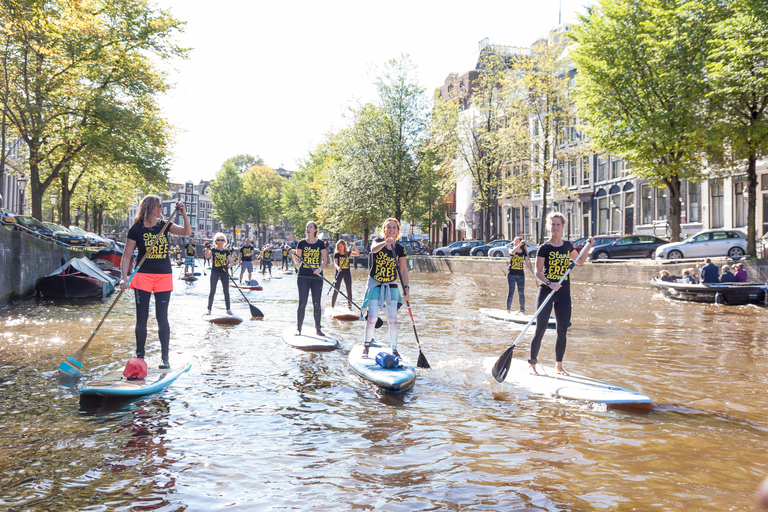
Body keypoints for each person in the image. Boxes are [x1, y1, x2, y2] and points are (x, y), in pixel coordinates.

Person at [120, 195, 191, 369]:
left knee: (162, 317)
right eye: (159, 207)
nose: (162, 210)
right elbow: (126, 255)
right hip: (142, 277)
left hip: (163, 277)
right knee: (141, 318)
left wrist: (183, 214)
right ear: (150, 207)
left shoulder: (164, 225)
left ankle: (164, 357)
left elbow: (186, 232)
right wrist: (123, 278)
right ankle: (139, 357)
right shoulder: (136, 229)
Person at [528, 211, 593, 376]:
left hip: (564, 293)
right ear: (549, 227)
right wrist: (550, 283)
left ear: (563, 226)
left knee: (562, 331)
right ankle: (532, 364)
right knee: (540, 329)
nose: (555, 227)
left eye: (558, 224)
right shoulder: (544, 247)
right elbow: (537, 272)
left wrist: (589, 246)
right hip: (547, 292)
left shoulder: (567, 246)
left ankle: (559, 366)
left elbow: (580, 261)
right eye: (552, 224)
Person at [361, 218, 410, 359]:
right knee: (372, 317)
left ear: (397, 231)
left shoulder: (400, 249)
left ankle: (394, 349)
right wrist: (385, 242)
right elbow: (373, 249)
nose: (391, 230)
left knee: (393, 318)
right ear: (385, 230)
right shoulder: (377, 241)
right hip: (375, 282)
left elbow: (403, 270)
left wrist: (406, 288)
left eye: (394, 227)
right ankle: (366, 347)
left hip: (391, 283)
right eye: (389, 227)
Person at [290, 221, 327, 336]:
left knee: (317, 303)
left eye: (311, 227)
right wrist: (293, 254)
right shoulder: (301, 243)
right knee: (302, 302)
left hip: (317, 277)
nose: (308, 229)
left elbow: (325, 260)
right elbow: (297, 261)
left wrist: (319, 269)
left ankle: (318, 329)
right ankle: (299, 329)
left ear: (315, 230)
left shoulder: (321, 243)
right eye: (307, 227)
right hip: (303, 276)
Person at [204, 233, 235, 315]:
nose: (220, 241)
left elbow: (232, 262)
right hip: (215, 272)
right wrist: (207, 249)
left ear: (224, 241)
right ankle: (209, 309)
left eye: (222, 240)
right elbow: (207, 256)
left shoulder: (226, 251)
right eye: (218, 240)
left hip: (224, 272)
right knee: (212, 291)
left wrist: (227, 267)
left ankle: (228, 309)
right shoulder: (213, 250)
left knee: (226, 291)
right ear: (216, 241)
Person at [506, 236, 533, 314]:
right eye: (514, 241)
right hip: (511, 274)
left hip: (520, 274)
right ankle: (508, 310)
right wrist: (519, 245)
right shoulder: (511, 249)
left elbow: (527, 263)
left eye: (517, 241)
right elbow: (512, 253)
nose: (515, 243)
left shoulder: (524, 252)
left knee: (521, 292)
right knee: (511, 291)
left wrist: (532, 270)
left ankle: (522, 310)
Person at [331, 239, 360, 310]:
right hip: (339, 273)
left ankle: (349, 307)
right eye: (339, 247)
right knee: (336, 289)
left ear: (344, 246)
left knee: (349, 289)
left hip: (347, 273)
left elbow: (357, 254)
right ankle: (332, 306)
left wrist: (355, 247)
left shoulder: (347, 253)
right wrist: (338, 268)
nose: (340, 248)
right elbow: (335, 263)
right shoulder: (336, 254)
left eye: (341, 246)